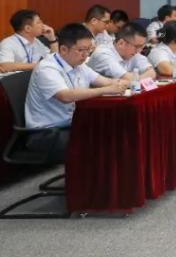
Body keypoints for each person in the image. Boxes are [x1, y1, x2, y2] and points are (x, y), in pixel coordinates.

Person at [24, 23, 130, 162]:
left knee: (116, 128)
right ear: (63, 49)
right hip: (47, 133)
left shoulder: (79, 65)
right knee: (103, 138)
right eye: (81, 50)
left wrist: (123, 83)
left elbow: (104, 81)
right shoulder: (47, 68)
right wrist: (105, 90)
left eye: (89, 49)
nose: (86, 55)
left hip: (72, 125)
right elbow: (65, 96)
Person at [87, 24, 155, 81]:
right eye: (137, 46)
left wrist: (135, 79)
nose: (139, 51)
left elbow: (152, 73)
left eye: (142, 47)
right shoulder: (103, 54)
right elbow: (127, 78)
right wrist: (141, 78)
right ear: (121, 43)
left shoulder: (134, 53)